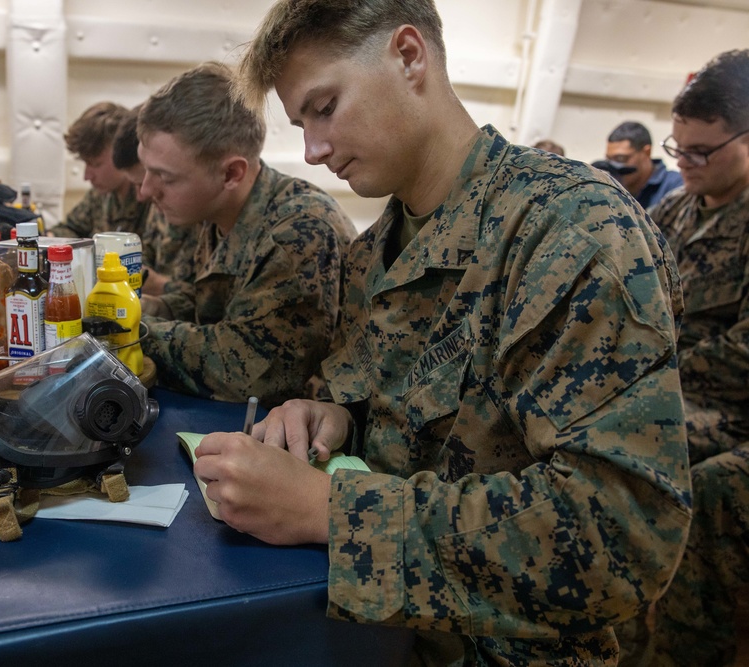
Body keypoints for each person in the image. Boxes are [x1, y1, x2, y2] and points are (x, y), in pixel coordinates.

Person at [192, 1, 692, 664]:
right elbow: (423, 434)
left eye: (325, 107)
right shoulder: (373, 256)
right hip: (371, 629)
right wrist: (336, 417)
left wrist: (332, 511)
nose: (312, 151)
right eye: (301, 123)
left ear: (408, 56)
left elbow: (623, 533)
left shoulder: (570, 230)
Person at [620, 49, 749, 667]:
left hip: (730, 406)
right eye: (678, 151)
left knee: (667, 465)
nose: (685, 165)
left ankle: (679, 648)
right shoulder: (673, 208)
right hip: (667, 389)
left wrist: (652, 379)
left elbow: (742, 354)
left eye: (702, 152)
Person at [136, 62, 355, 407]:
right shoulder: (217, 211)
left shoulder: (298, 231)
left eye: (166, 177)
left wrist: (130, 330)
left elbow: (244, 370)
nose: (146, 191)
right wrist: (131, 308)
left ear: (231, 174)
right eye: (146, 170)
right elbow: (200, 304)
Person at [110, 106, 198, 297]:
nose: (142, 194)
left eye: (160, 176)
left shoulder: (199, 207)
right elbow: (146, 256)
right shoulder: (159, 204)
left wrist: (159, 286)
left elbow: (208, 308)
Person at [47, 101, 147, 239]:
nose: (87, 176)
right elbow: (70, 228)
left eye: (96, 164)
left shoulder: (153, 200)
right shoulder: (100, 195)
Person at [604, 121, 683, 209]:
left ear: (646, 152)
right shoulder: (610, 187)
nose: (613, 166)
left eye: (621, 158)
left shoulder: (676, 186)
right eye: (609, 159)